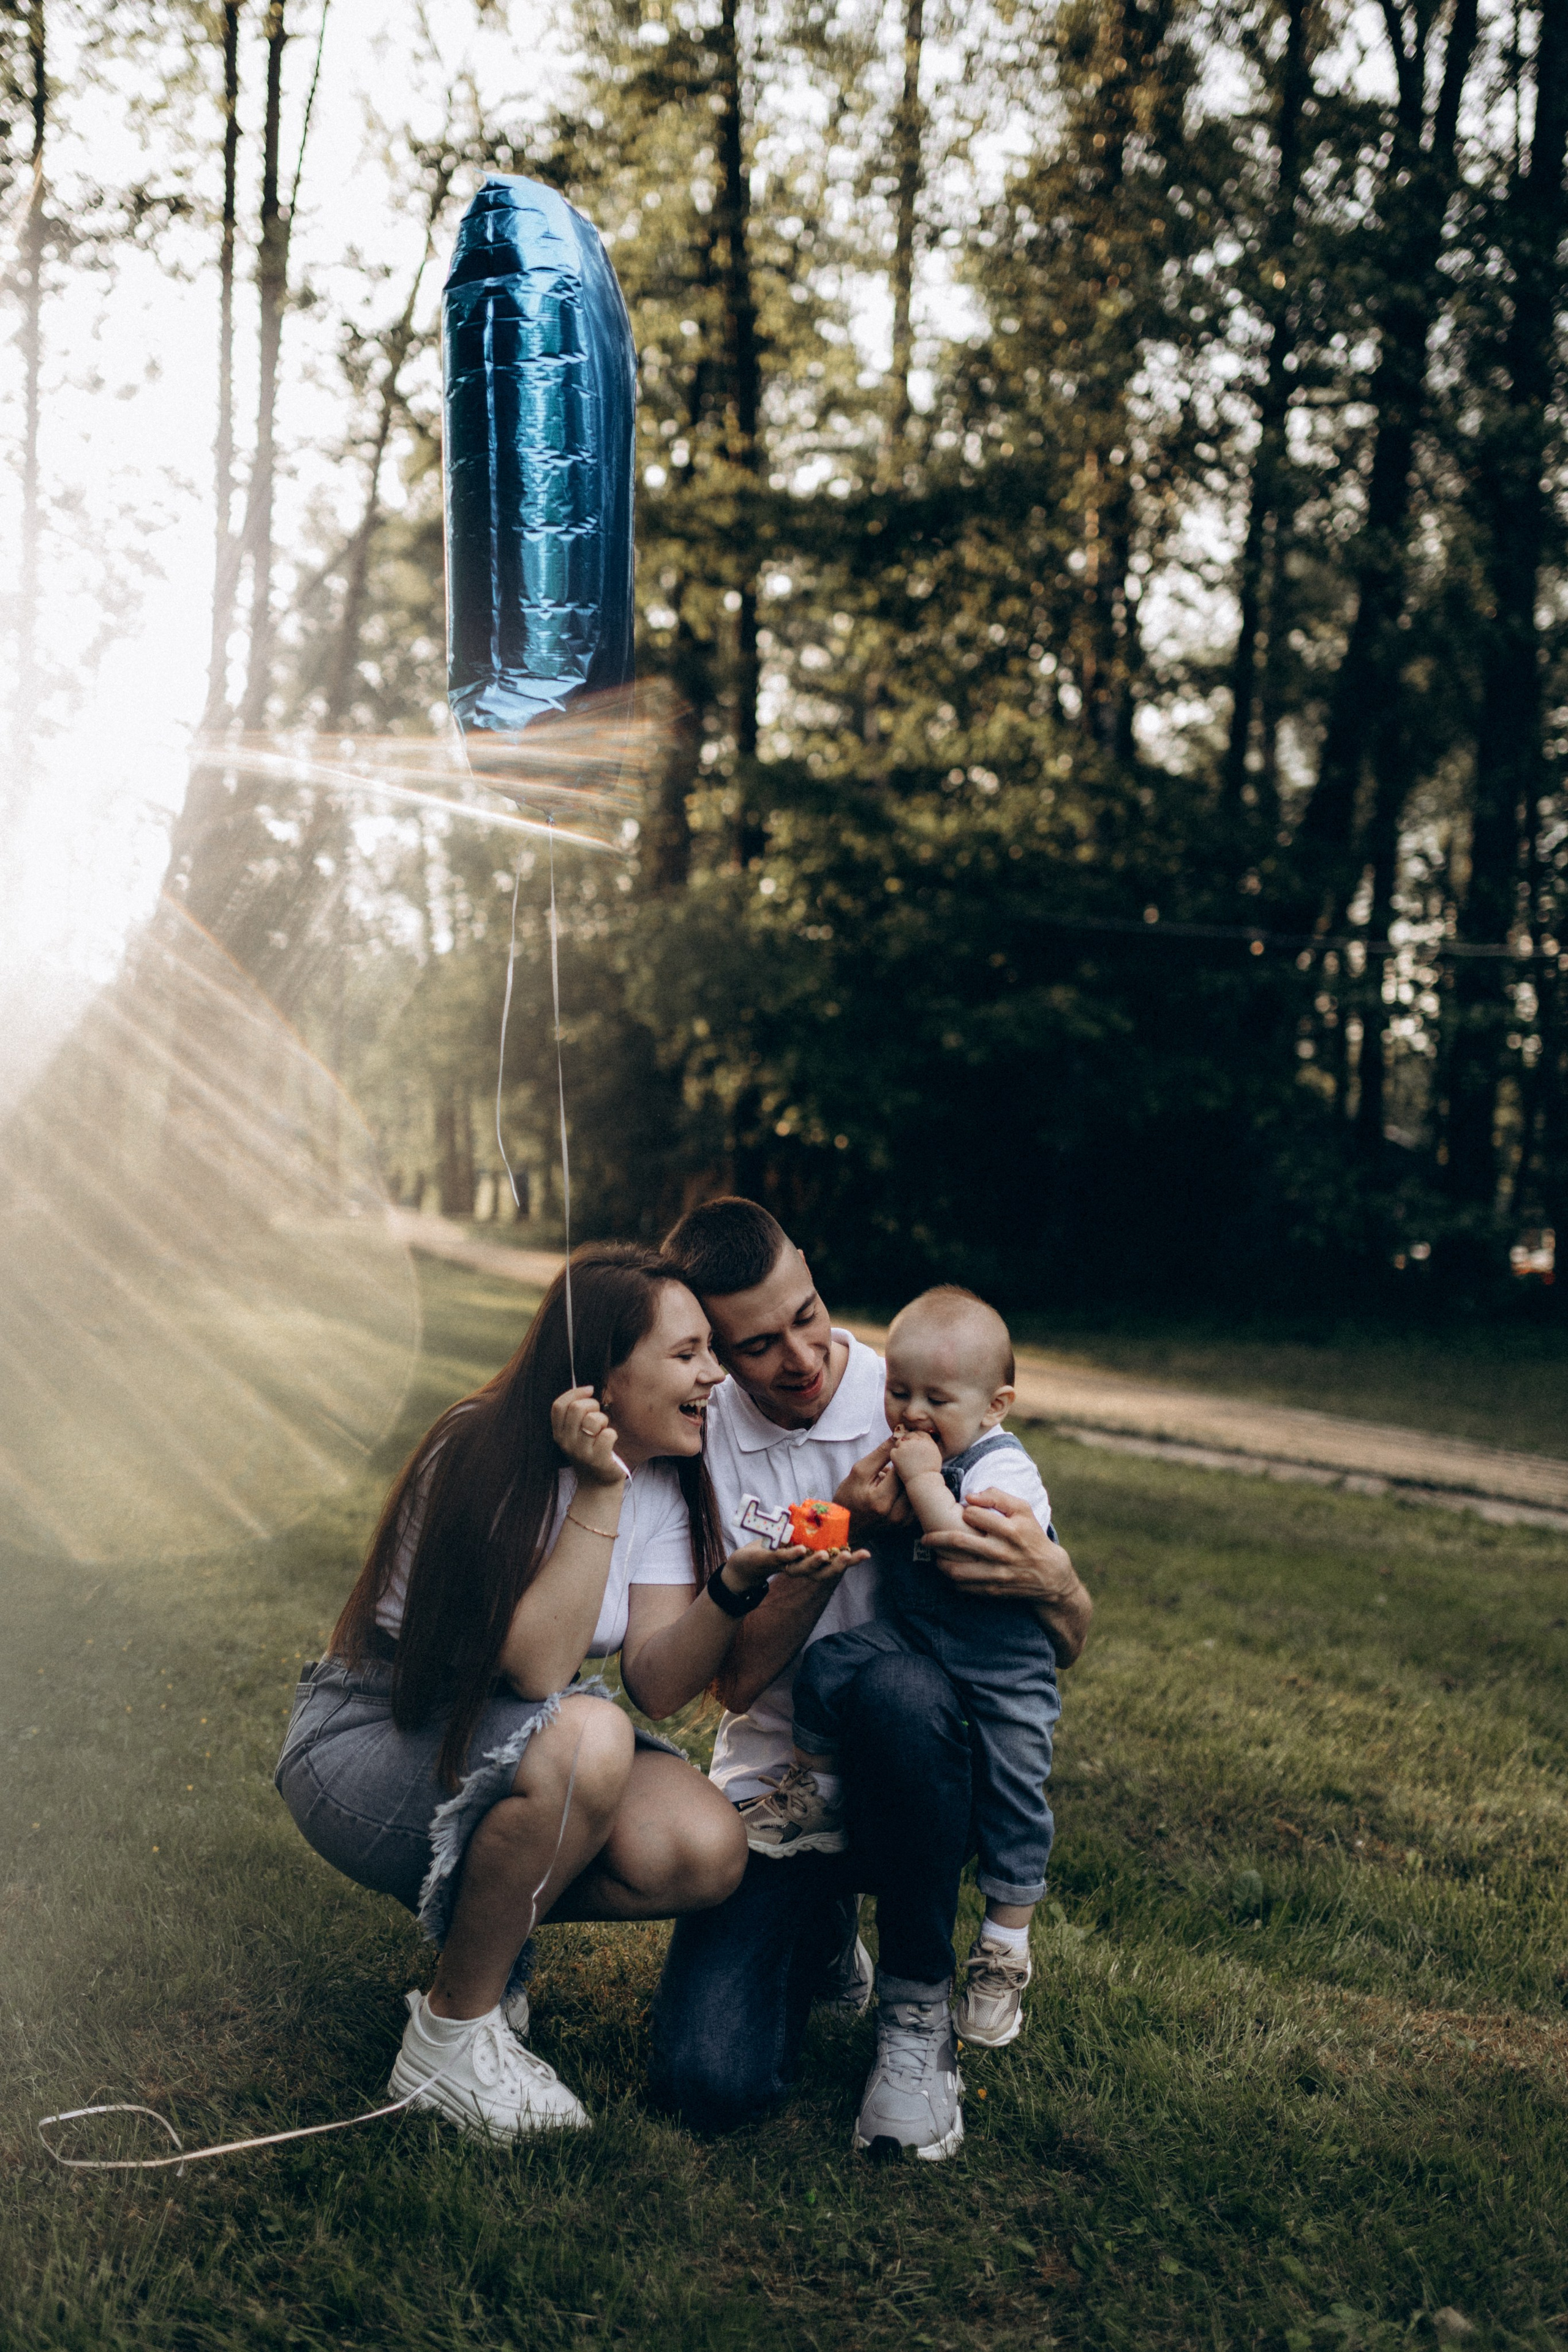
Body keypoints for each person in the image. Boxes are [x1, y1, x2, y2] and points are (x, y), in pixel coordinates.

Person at [275, 1245, 814, 2144]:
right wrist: (598, 1488)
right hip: (370, 1741)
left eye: (710, 1353)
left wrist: (739, 1589)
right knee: (586, 1733)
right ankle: (450, 2033)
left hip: (510, 1741)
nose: (714, 1374)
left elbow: (657, 1682)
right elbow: (534, 1670)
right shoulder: (478, 1445)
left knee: (706, 1847)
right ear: (602, 1370)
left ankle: (486, 1945)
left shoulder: (662, 1480)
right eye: (687, 1355)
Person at [650, 1198, 1093, 2160]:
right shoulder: (699, 1443)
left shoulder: (924, 1383)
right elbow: (731, 1686)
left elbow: (1055, 1639)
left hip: (925, 1763)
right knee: (707, 2079)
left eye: (806, 1314)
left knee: (900, 1693)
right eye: (758, 1345)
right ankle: (819, 1926)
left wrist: (1061, 1584)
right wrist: (839, 1528)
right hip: (784, 1776)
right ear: (711, 1350)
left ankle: (915, 2015)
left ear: (810, 1267)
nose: (802, 1358)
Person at [751, 1284, 1061, 2053]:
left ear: (995, 1406)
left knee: (1014, 1796)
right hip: (917, 1644)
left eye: (937, 1399)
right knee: (828, 1665)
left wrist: (922, 1482)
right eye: (899, 1393)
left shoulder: (1005, 1470)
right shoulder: (908, 1456)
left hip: (1003, 1668)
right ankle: (815, 1794)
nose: (911, 1414)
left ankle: (1003, 1945)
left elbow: (963, 1548)